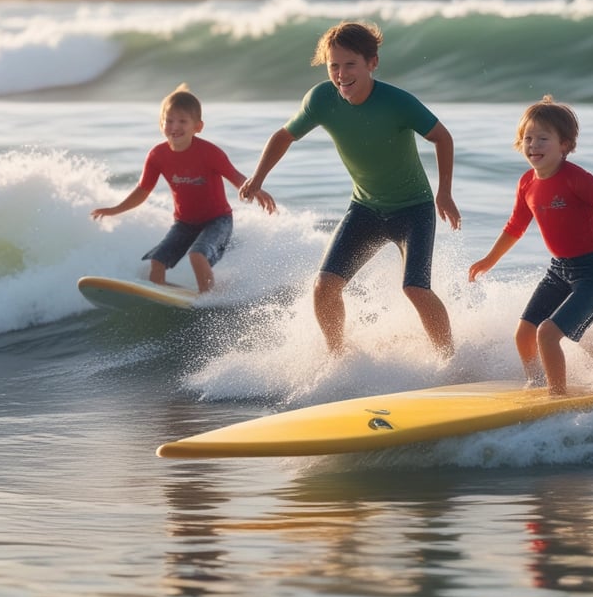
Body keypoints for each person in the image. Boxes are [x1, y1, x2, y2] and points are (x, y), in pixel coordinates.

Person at [238, 21, 460, 358]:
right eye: (334, 66)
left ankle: (450, 359)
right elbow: (284, 135)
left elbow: (441, 137)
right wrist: (258, 178)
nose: (341, 75)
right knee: (324, 288)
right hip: (365, 209)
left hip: (413, 209)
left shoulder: (397, 102)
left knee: (415, 287)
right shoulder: (322, 99)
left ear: (372, 63)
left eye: (350, 65)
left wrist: (444, 192)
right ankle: (338, 357)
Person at [468, 94, 593, 395]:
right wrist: (489, 260)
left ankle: (556, 395)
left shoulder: (577, 179)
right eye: (528, 138)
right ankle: (539, 383)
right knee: (524, 334)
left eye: (543, 138)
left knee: (547, 333)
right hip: (559, 270)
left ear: (565, 145)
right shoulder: (526, 183)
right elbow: (515, 227)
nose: (533, 145)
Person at [91, 83, 276, 292]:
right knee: (157, 263)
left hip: (218, 221)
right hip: (184, 223)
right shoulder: (157, 156)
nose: (174, 126)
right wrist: (115, 209)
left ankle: (208, 301)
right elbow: (143, 190)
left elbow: (235, 176)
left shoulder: (209, 153)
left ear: (198, 126)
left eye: (182, 121)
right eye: (169, 121)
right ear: (161, 125)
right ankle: (164, 295)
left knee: (197, 255)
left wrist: (256, 188)